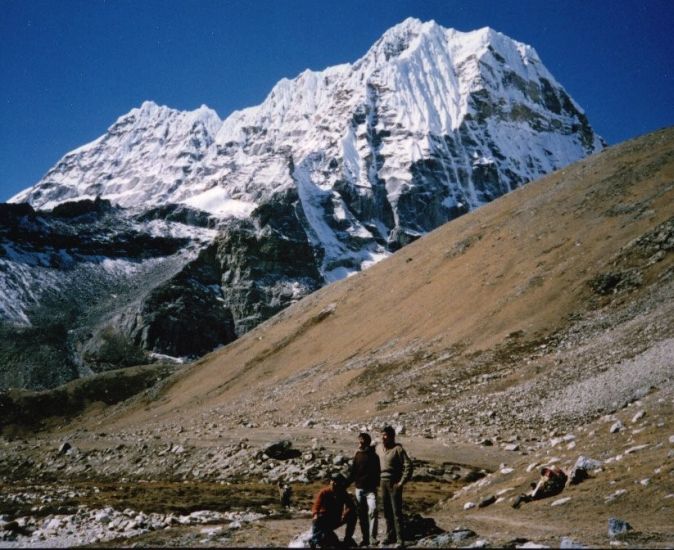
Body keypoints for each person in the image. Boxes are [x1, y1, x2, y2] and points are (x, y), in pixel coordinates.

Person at [376, 426, 413, 547]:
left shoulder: (398, 449)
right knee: (386, 511)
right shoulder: (378, 448)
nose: (383, 437)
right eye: (381, 434)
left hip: (394, 482)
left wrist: (401, 482)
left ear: (392, 436)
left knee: (396, 512)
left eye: (385, 435)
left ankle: (400, 539)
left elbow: (408, 466)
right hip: (382, 482)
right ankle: (389, 535)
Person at [346, 433, 380, 547]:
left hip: (370, 490)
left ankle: (372, 538)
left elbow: (377, 472)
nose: (359, 443)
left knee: (373, 511)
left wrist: (375, 485)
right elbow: (353, 473)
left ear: (366, 442)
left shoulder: (374, 456)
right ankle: (365, 538)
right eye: (359, 441)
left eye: (361, 441)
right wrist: (344, 484)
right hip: (359, 489)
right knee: (362, 515)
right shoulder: (358, 455)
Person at [311, 473, 358, 548]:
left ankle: (348, 538)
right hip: (324, 521)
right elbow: (316, 506)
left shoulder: (342, 493)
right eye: (332, 481)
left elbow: (351, 506)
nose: (333, 483)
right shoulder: (324, 492)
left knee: (353, 515)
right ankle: (316, 541)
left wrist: (345, 514)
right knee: (330, 540)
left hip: (336, 519)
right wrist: (315, 514)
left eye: (336, 481)